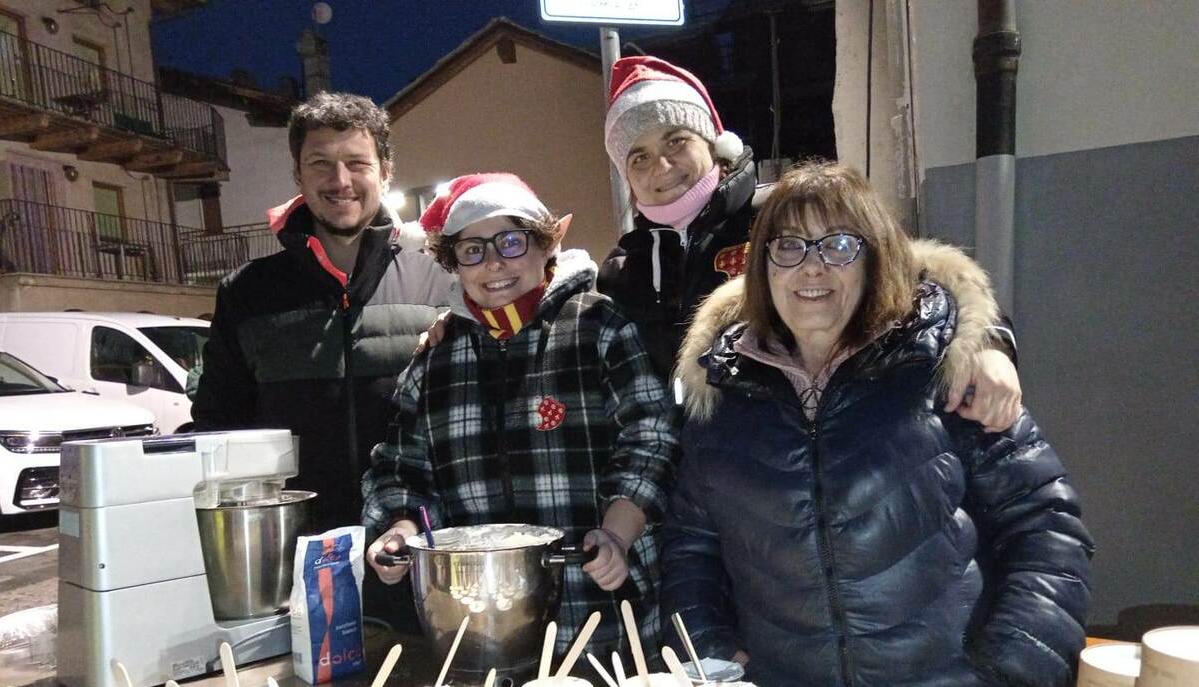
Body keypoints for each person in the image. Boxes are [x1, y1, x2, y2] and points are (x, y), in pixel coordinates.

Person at [662, 162, 1093, 686]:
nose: (812, 267)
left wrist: (1011, 668)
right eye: (790, 246)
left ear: (875, 258)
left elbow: (1045, 525)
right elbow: (691, 546)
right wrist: (712, 656)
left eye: (839, 246)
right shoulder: (723, 392)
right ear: (764, 267)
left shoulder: (944, 367)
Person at [597, 55, 1021, 431]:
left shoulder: (782, 212)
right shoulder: (621, 270)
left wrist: (990, 346)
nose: (662, 165)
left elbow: (919, 271)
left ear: (713, 143)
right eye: (639, 156)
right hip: (693, 473)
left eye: (676, 140)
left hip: (807, 452)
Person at [362, 173, 677, 655]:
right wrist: (402, 532)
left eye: (511, 242)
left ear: (545, 244)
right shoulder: (435, 360)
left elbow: (651, 440)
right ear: (453, 263)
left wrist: (617, 533)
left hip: (603, 614)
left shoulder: (598, 327)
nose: (493, 264)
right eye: (472, 250)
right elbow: (402, 467)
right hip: (482, 625)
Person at [192, 92, 454, 532]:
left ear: (385, 172)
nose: (340, 180)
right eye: (320, 164)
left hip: (416, 537)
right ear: (298, 174)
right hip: (292, 544)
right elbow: (217, 426)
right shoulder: (247, 292)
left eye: (357, 163)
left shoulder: (441, 282)